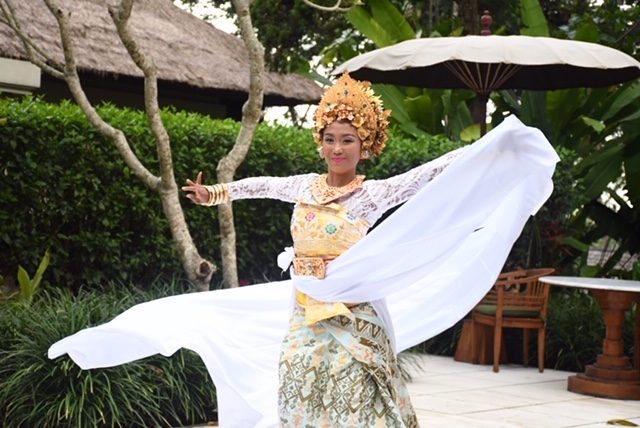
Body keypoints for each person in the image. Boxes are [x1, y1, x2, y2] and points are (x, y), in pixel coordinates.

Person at [49, 72, 560, 428]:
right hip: (305, 309)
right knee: (297, 392)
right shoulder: (304, 185)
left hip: (355, 315)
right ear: (320, 142)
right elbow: (259, 185)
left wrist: (489, 149)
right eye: (331, 139)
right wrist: (214, 194)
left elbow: (429, 175)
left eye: (349, 142)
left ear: (365, 147)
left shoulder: (373, 193)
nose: (338, 149)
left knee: (358, 402)